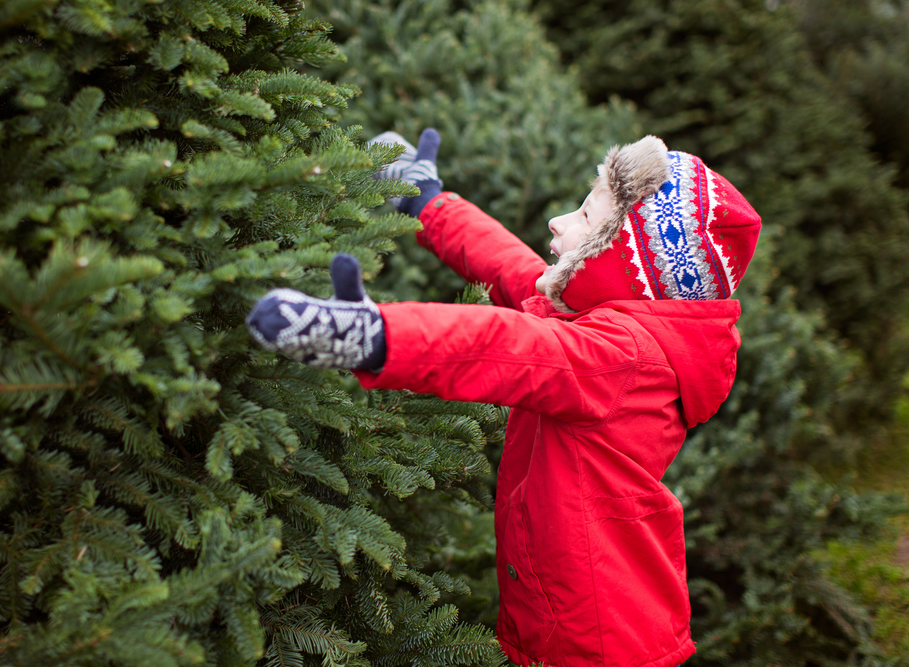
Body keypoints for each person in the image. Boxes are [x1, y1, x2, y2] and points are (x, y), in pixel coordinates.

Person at [247, 129, 761, 667]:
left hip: (597, 645)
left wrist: (375, 337)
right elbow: (510, 267)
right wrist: (429, 204)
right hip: (595, 623)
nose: (558, 222)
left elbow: (503, 345)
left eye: (586, 218)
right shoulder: (606, 327)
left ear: (625, 264)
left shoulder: (620, 355)